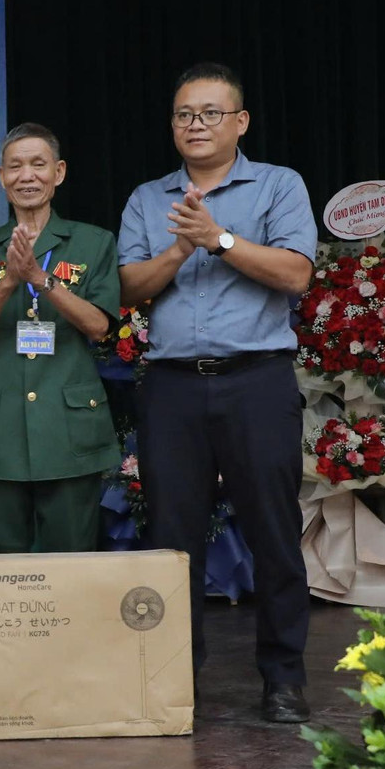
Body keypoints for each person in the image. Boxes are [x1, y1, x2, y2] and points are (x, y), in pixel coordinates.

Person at [118, 62, 316, 723]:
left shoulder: (279, 186)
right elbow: (128, 289)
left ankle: (284, 679)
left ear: (240, 122)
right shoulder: (150, 198)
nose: (194, 125)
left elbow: (294, 273)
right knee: (173, 541)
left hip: (257, 380)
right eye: (183, 115)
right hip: (173, 388)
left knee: (274, 533)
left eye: (208, 113)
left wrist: (221, 239)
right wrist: (179, 251)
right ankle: (178, 683)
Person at [0, 123, 120, 552]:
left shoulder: (93, 242)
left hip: (67, 427)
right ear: (1, 177)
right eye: (15, 166)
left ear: (58, 173)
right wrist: (8, 282)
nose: (27, 176)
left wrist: (41, 280)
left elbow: (99, 326)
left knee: (71, 559)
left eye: (38, 165)